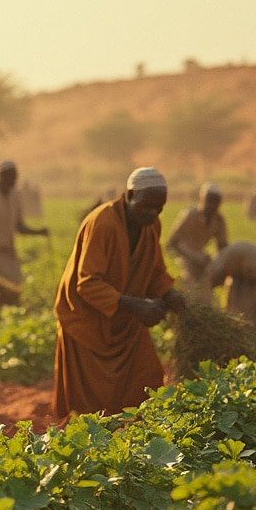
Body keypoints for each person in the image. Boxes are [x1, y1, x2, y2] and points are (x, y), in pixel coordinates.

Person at [53, 166, 186, 420]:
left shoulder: (151, 225)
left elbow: (154, 269)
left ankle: (136, 440)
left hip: (124, 318)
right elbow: (87, 282)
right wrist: (137, 306)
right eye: (146, 206)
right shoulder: (102, 223)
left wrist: (169, 294)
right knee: (91, 403)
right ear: (129, 195)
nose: (152, 214)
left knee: (147, 378)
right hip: (88, 319)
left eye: (159, 208)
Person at [0, 160, 48, 284]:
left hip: (7, 251)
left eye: (14, 175)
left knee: (14, 285)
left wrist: (38, 232)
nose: (13, 179)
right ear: (1, 176)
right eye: (10, 175)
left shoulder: (14, 195)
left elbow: (19, 226)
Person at [205, 240, 256, 336]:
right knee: (238, 318)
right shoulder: (224, 266)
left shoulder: (251, 265)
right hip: (251, 269)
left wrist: (253, 298)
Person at [165, 182, 229, 298]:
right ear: (203, 199)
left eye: (216, 201)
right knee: (190, 289)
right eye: (210, 201)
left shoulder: (218, 220)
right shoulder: (189, 215)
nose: (213, 205)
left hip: (201, 258)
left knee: (206, 293)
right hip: (183, 257)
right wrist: (191, 256)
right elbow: (172, 242)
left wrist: (220, 264)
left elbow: (222, 246)